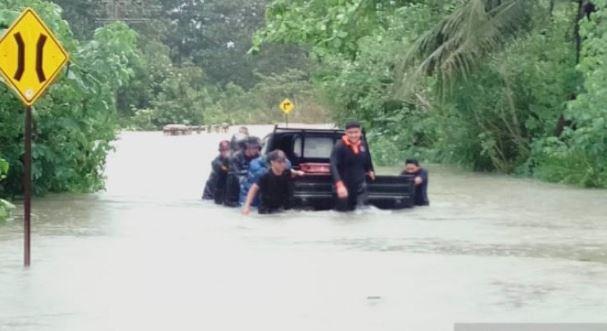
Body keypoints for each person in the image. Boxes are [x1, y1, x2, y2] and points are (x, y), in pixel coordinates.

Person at [330, 121, 375, 212]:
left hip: (360, 186)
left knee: (362, 212)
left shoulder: (363, 144)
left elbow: (367, 159)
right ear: (346, 133)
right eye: (350, 132)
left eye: (356, 132)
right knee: (343, 215)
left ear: (360, 132)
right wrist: (339, 186)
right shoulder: (339, 146)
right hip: (343, 186)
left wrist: (370, 170)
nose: (353, 135)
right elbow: (333, 166)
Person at [242, 150, 304, 215]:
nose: (282, 164)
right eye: (279, 162)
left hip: (280, 208)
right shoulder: (265, 175)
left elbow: (292, 172)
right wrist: (247, 206)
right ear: (272, 162)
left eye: (284, 162)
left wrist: (298, 172)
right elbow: (253, 189)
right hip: (266, 209)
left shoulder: (286, 172)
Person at [224, 136, 261, 207]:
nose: (256, 150)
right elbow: (236, 175)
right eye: (254, 148)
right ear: (247, 147)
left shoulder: (258, 156)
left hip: (250, 184)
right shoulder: (236, 157)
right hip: (235, 187)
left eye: (257, 148)